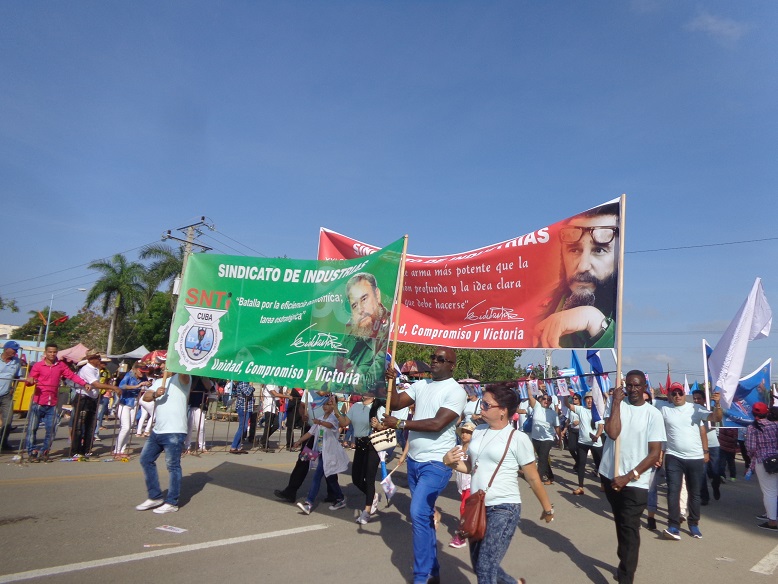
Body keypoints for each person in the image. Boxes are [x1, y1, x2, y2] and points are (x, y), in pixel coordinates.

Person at [443, 386, 555, 584]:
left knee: (485, 568)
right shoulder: (479, 431)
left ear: (503, 410)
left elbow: (533, 478)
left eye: (486, 405)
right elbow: (471, 467)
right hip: (477, 505)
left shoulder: (518, 438)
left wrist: (547, 509)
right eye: (482, 403)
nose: (481, 408)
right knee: (480, 564)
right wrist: (449, 462)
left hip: (504, 507)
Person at [382, 346, 467, 584]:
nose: (435, 361)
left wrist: (400, 425)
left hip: (438, 462)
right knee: (425, 516)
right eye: (433, 357)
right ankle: (433, 571)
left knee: (418, 512)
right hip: (414, 462)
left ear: (452, 365)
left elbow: (437, 423)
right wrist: (391, 382)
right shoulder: (421, 385)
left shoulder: (456, 391)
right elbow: (396, 403)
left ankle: (421, 576)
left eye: (441, 359)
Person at [599, 371, 666, 584]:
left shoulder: (653, 414)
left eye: (637, 385)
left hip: (636, 481)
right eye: (629, 385)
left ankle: (626, 577)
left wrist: (629, 476)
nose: (633, 389)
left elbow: (654, 453)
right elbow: (612, 433)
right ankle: (624, 565)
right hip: (610, 475)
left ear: (645, 386)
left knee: (629, 528)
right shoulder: (616, 404)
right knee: (621, 523)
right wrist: (616, 403)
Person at [534, 202, 619, 348]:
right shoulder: (540, 311)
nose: (583, 266)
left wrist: (596, 322)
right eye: (574, 250)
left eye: (599, 250)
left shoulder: (625, 317)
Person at [660, 382, 723, 540]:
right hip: (673, 456)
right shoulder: (665, 410)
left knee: (694, 492)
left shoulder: (695, 408)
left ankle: (694, 523)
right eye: (674, 393)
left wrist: (717, 404)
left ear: (684, 394)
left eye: (680, 393)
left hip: (695, 457)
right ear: (670, 395)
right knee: (673, 491)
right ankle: (673, 525)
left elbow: (716, 418)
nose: (677, 396)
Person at [136, 371, 191, 513]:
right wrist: (155, 394)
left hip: (175, 430)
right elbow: (146, 397)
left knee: (173, 466)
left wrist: (178, 362)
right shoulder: (159, 381)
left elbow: (185, 374)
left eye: (164, 363)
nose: (162, 366)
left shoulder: (183, 378)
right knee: (146, 459)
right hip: (158, 431)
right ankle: (155, 496)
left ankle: (172, 502)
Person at [25, 343, 90, 461]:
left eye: (54, 352)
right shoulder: (38, 365)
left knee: (51, 429)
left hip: (52, 403)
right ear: (45, 353)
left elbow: (71, 376)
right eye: (50, 352)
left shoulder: (60, 365)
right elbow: (29, 380)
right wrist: (30, 381)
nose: (52, 354)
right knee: (32, 428)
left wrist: (84, 383)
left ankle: (45, 451)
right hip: (38, 401)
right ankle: (32, 451)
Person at [293, 395, 349, 515]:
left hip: (329, 453)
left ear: (334, 406)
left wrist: (320, 422)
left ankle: (309, 503)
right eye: (324, 404)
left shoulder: (333, 418)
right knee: (330, 477)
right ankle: (340, 498)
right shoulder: (320, 418)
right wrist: (299, 441)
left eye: (329, 404)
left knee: (317, 476)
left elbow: (330, 426)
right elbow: (310, 433)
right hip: (319, 451)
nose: (325, 406)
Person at [337, 272, 391, 394]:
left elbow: (368, 384)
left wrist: (348, 371)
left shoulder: (388, 331)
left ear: (377, 295)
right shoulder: (351, 334)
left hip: (374, 403)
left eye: (364, 299)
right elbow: (327, 369)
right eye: (354, 305)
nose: (360, 310)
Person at [339, 391, 386, 524]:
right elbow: (344, 422)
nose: (365, 392)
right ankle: (372, 496)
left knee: (369, 478)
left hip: (373, 445)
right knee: (356, 478)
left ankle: (367, 512)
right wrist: (336, 410)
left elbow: (387, 426)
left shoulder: (378, 407)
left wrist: (379, 426)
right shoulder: (356, 406)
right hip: (360, 444)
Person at [72, 350, 120, 456]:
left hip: (93, 398)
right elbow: (96, 384)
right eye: (97, 358)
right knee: (79, 425)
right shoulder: (86, 369)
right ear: (91, 359)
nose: (99, 360)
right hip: (83, 398)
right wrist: (114, 387)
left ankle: (87, 450)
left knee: (91, 425)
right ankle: (76, 450)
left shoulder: (97, 369)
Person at [745, 402, 778, 531]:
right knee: (774, 491)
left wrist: (751, 459)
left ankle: (772, 522)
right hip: (776, 457)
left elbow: (751, 448)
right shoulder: (775, 425)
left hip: (763, 462)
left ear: (753, 413)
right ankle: (771, 516)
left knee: (769, 492)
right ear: (767, 412)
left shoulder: (752, 428)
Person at [567, 391, 604, 495]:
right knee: (581, 464)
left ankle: (603, 484)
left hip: (596, 442)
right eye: (587, 398)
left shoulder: (599, 411)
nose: (589, 400)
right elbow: (567, 405)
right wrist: (565, 395)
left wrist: (597, 436)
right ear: (584, 400)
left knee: (600, 464)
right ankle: (580, 487)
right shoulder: (581, 409)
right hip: (583, 442)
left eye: (591, 398)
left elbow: (601, 426)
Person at [113, 362, 151, 458]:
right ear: (135, 369)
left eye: (144, 372)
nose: (143, 373)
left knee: (129, 427)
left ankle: (122, 450)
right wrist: (137, 386)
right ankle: (117, 450)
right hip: (124, 403)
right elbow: (122, 386)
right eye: (141, 371)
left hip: (134, 403)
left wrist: (148, 383)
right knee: (125, 427)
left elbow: (148, 384)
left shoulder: (143, 377)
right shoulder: (129, 375)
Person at [448, 421, 475, 550]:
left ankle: (461, 536)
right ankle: (475, 529)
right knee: (469, 510)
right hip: (461, 484)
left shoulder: (473, 450)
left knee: (464, 509)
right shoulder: (458, 448)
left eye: (468, 432)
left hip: (471, 484)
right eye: (463, 432)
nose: (464, 434)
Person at [692, 389, 722, 505]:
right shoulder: (690, 412)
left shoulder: (709, 411)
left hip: (713, 446)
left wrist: (717, 403)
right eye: (694, 398)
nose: (696, 400)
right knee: (702, 473)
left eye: (699, 398)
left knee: (715, 472)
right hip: (699, 447)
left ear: (704, 400)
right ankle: (704, 496)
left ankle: (716, 484)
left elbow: (717, 418)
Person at [526, 389, 561, 485]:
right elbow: (530, 396)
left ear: (551, 402)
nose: (546, 401)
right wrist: (528, 386)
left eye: (549, 400)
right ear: (541, 400)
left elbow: (557, 427)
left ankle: (537, 480)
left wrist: (560, 439)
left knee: (542, 458)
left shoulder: (553, 414)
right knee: (543, 458)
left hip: (548, 439)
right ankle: (550, 477)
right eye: (544, 399)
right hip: (536, 438)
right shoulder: (537, 407)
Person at [0, 341, 22, 451]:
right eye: (14, 349)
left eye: (16, 350)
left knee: (8, 420)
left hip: (6, 395)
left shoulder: (16, 362)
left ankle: (3, 442)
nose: (15, 352)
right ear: (6, 349)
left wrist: (13, 388)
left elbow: (17, 377)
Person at [230, 381, 254, 454]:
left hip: (247, 408)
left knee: (244, 427)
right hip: (243, 408)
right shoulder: (243, 383)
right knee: (243, 427)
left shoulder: (245, 383)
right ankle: (233, 446)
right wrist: (251, 386)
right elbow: (247, 393)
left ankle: (238, 447)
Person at [259, 383, 285, 450]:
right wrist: (287, 396)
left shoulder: (274, 384)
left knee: (276, 425)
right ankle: (264, 443)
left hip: (273, 407)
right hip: (268, 407)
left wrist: (276, 407)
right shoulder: (269, 384)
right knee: (268, 426)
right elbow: (275, 394)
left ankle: (263, 439)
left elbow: (276, 397)